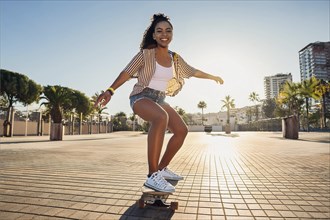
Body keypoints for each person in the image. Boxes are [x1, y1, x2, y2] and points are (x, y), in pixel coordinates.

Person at [94, 13, 224, 193]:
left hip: (160, 99)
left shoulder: (175, 58)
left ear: (172, 34)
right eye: (160, 31)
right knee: (160, 117)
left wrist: (213, 77)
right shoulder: (145, 54)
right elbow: (126, 72)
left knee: (181, 130)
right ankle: (152, 175)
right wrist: (110, 90)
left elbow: (193, 71)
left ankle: (162, 169)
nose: (164, 34)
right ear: (154, 35)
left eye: (168, 30)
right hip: (141, 97)